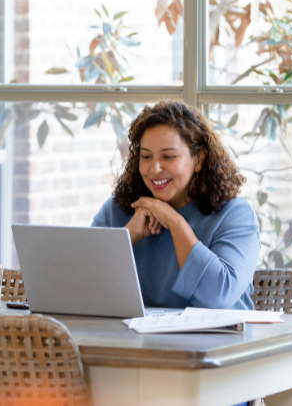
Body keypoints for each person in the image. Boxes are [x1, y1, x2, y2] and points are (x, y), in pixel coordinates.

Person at [92, 100, 260, 310]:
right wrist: (128, 236)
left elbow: (219, 295)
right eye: (146, 156)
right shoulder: (120, 209)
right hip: (134, 342)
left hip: (218, 341)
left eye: (169, 156)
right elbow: (80, 283)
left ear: (198, 159)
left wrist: (175, 222)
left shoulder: (235, 215)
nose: (154, 169)